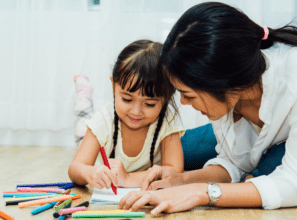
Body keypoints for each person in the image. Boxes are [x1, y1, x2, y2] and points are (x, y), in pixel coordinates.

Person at [118, 2, 297, 215]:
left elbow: (291, 183)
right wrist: (181, 180)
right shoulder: (231, 93)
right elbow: (233, 162)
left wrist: (200, 192)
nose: (183, 102)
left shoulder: (291, 78)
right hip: (264, 144)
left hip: (285, 148)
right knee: (178, 151)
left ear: (224, 81)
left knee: (271, 168)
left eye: (189, 94)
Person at [68, 40, 185, 189]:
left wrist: (128, 178)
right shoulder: (104, 119)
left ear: (167, 97)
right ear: (113, 86)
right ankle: (83, 93)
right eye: (127, 99)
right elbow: (75, 168)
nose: (136, 112)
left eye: (149, 104)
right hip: (98, 135)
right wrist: (89, 173)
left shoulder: (167, 119)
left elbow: (174, 171)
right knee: (81, 127)